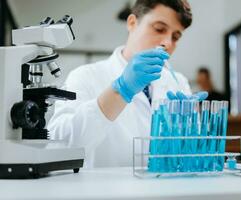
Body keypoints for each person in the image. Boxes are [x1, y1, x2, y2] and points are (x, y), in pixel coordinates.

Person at [48, 0, 207, 168]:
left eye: (175, 37)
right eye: (159, 29)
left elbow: (189, 155)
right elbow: (61, 146)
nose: (167, 43)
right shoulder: (85, 76)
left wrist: (186, 131)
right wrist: (120, 90)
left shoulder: (178, 82)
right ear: (132, 23)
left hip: (164, 191)